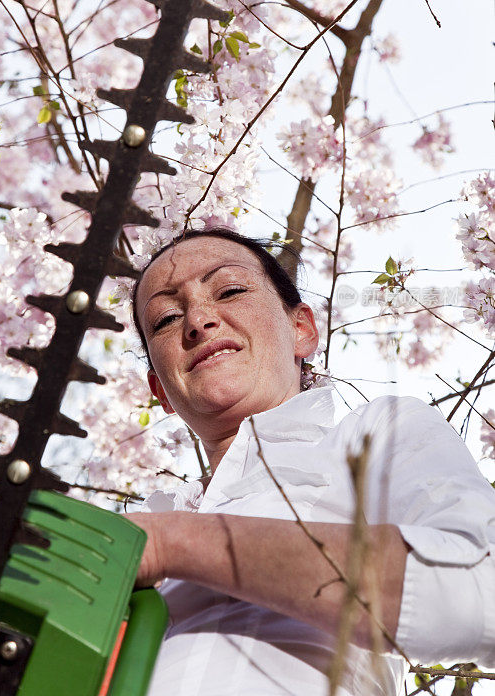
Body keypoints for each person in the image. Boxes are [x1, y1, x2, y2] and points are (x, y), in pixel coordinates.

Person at [126, 227, 495, 696]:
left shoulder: (374, 436)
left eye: (231, 290)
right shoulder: (133, 526)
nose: (197, 320)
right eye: (165, 318)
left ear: (301, 330)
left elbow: (484, 583)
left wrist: (171, 544)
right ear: (159, 390)